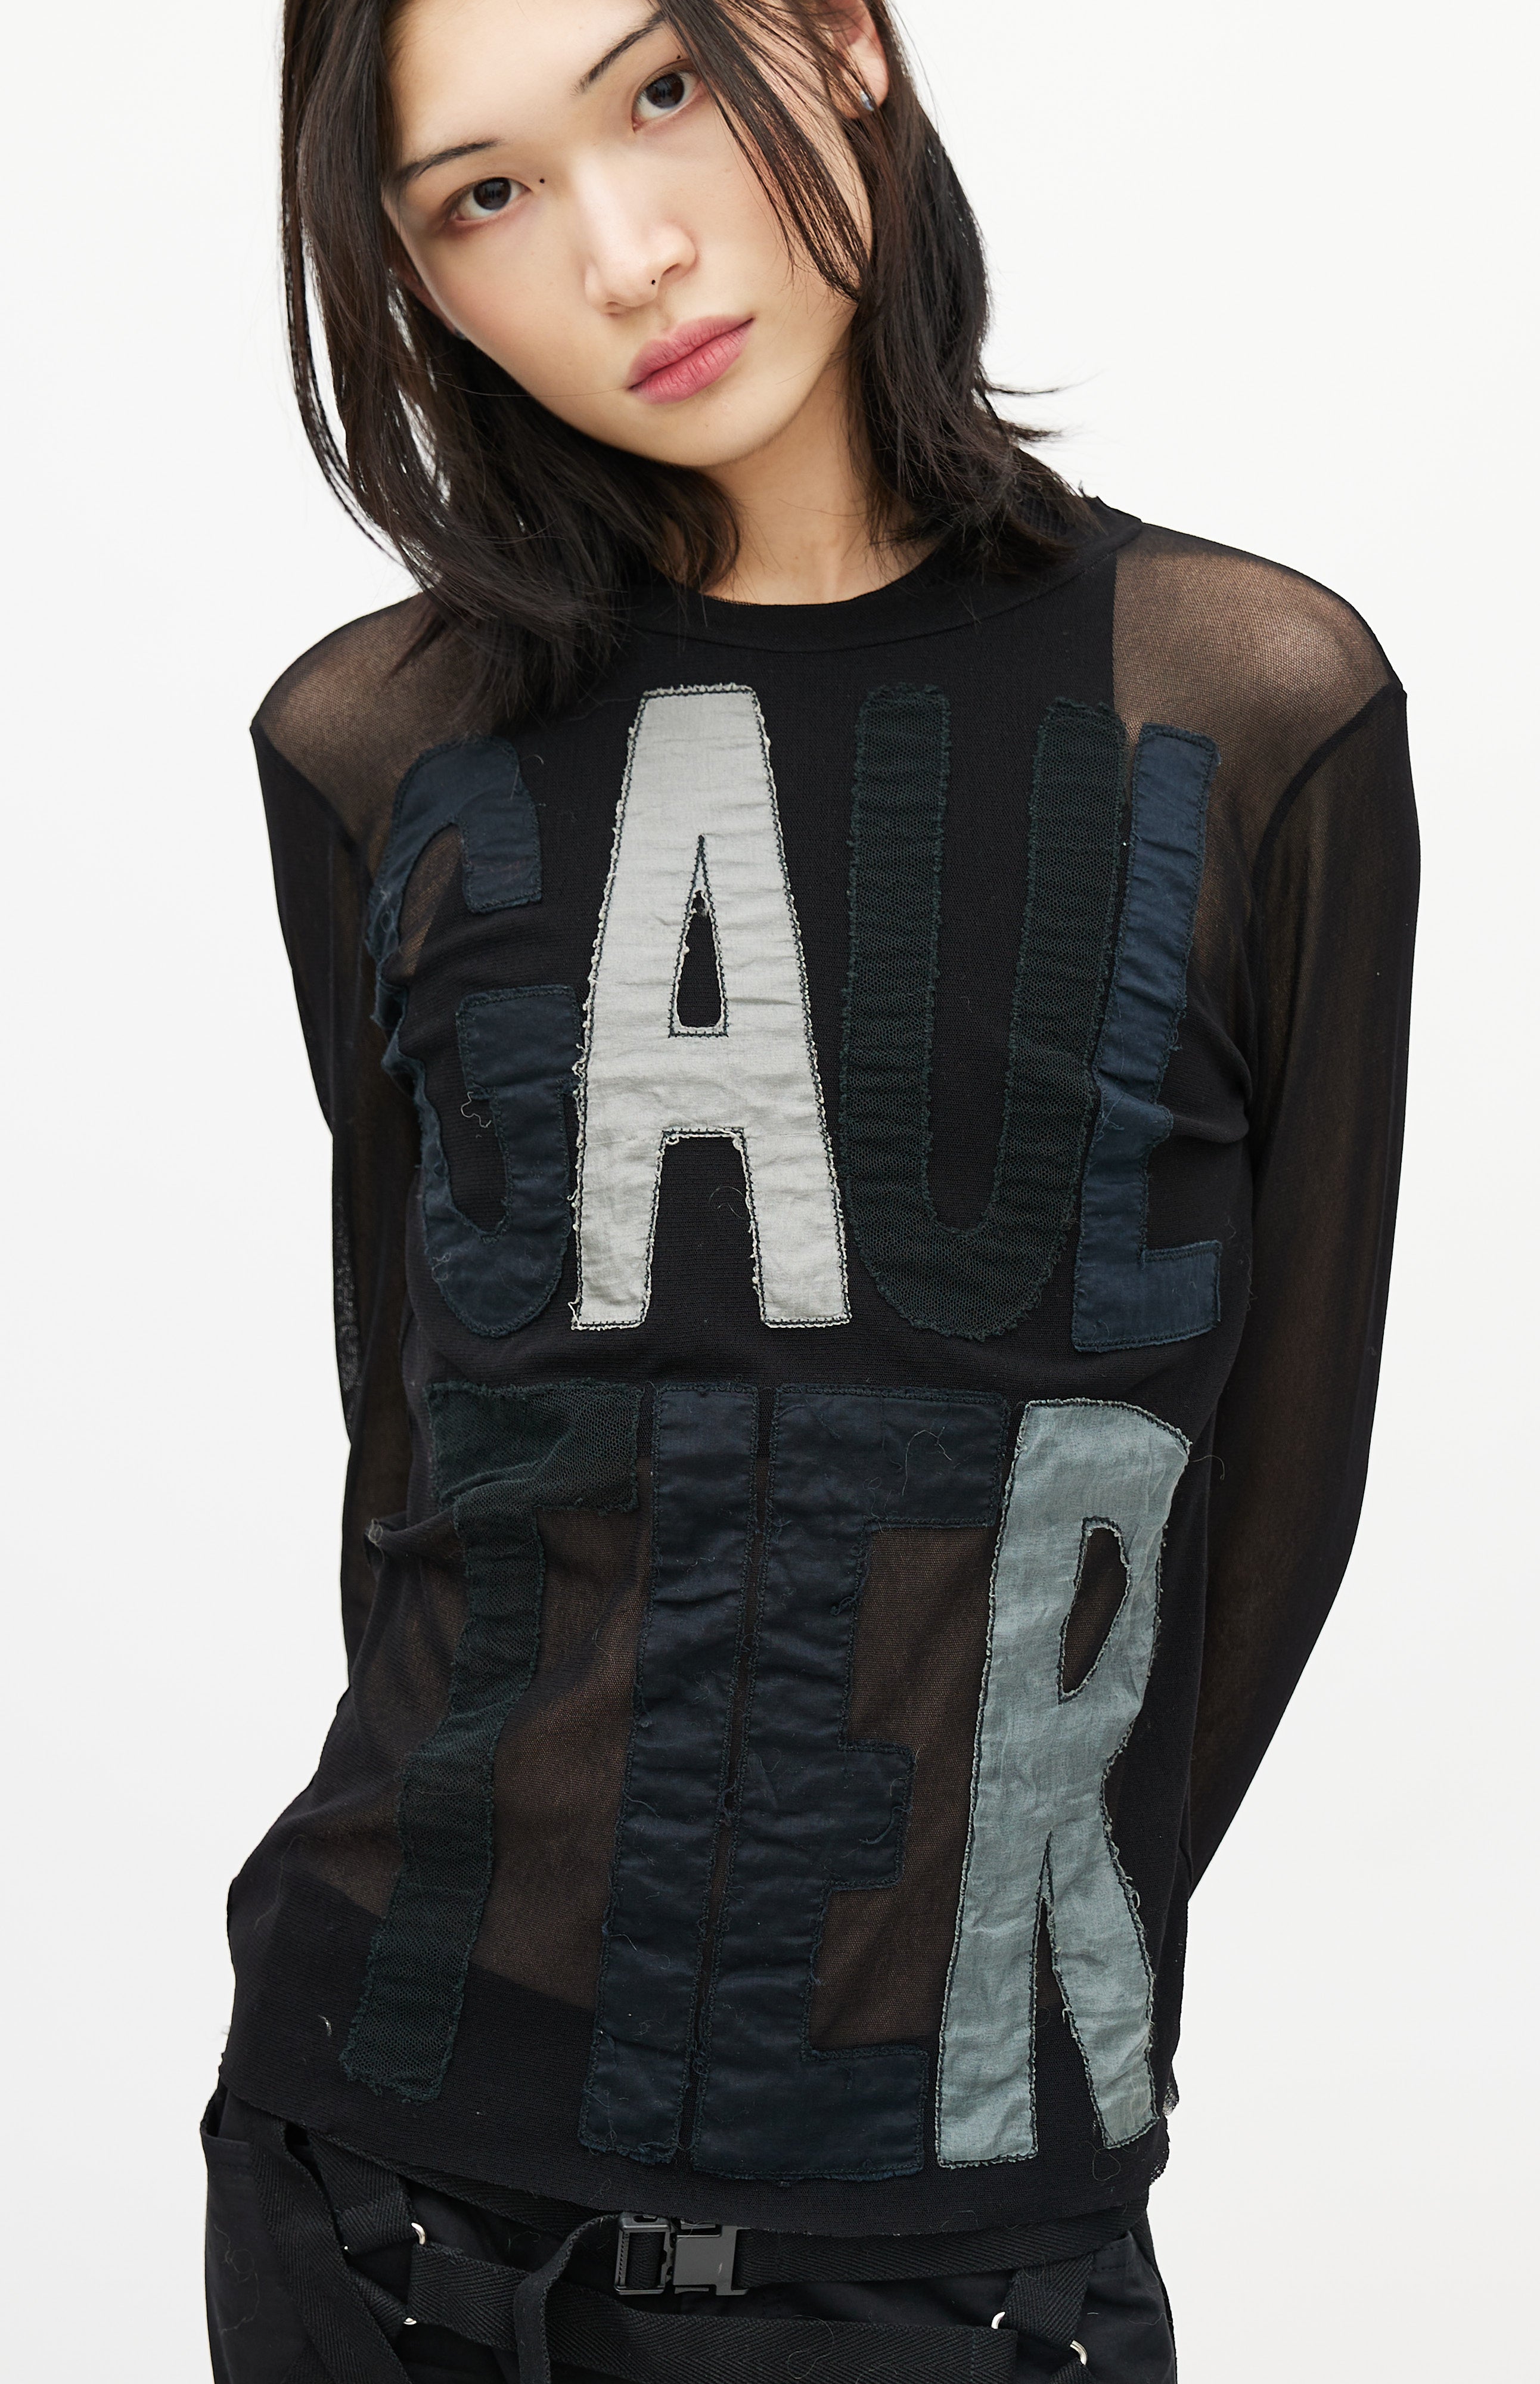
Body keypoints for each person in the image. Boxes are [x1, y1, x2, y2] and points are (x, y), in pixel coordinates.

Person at [203, 2, 1418, 2376]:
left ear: (837, 36)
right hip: (382, 2206)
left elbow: (1270, 1502)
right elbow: (430, 1458)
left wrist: (966, 2018)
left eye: (661, 89)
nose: (626, 254)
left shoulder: (1244, 704)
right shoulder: (377, 743)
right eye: (484, 194)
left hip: (956, 2247)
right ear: (414, 274)